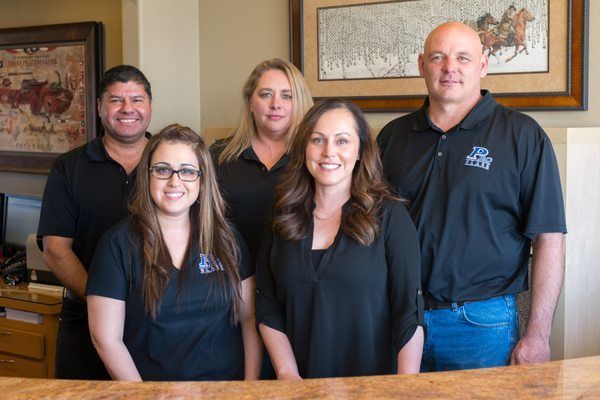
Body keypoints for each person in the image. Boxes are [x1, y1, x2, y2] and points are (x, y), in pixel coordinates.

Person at [377, 22, 566, 372]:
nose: (450, 68)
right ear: (422, 65)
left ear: (482, 65)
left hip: (481, 325)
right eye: (438, 57)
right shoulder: (392, 138)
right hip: (397, 319)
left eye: (463, 57)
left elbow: (549, 238)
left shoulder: (522, 136)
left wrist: (539, 334)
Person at [256, 99, 424, 379]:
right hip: (300, 388)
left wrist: (404, 389)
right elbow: (268, 306)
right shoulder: (282, 217)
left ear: (360, 151)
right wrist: (289, 377)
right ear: (304, 147)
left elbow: (409, 314)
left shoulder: (390, 217)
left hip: (372, 387)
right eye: (317, 140)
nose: (328, 152)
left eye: (342, 141)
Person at [86, 124, 261, 381]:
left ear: (202, 180)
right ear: (147, 175)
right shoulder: (118, 244)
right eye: (163, 169)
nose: (174, 181)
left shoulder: (227, 238)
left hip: (226, 392)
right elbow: (105, 339)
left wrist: (249, 390)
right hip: (151, 393)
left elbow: (249, 319)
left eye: (188, 171)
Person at [38, 65, 153, 379]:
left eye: (137, 99)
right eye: (116, 100)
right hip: (84, 321)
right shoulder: (69, 168)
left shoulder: (172, 164)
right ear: (100, 108)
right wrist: (103, 302)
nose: (127, 108)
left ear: (150, 107)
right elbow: (55, 250)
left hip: (159, 321)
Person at [210, 58, 313, 265]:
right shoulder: (218, 157)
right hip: (231, 276)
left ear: (299, 102)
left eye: (287, 96)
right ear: (250, 101)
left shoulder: (314, 159)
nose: (276, 104)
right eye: (266, 94)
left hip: (293, 278)